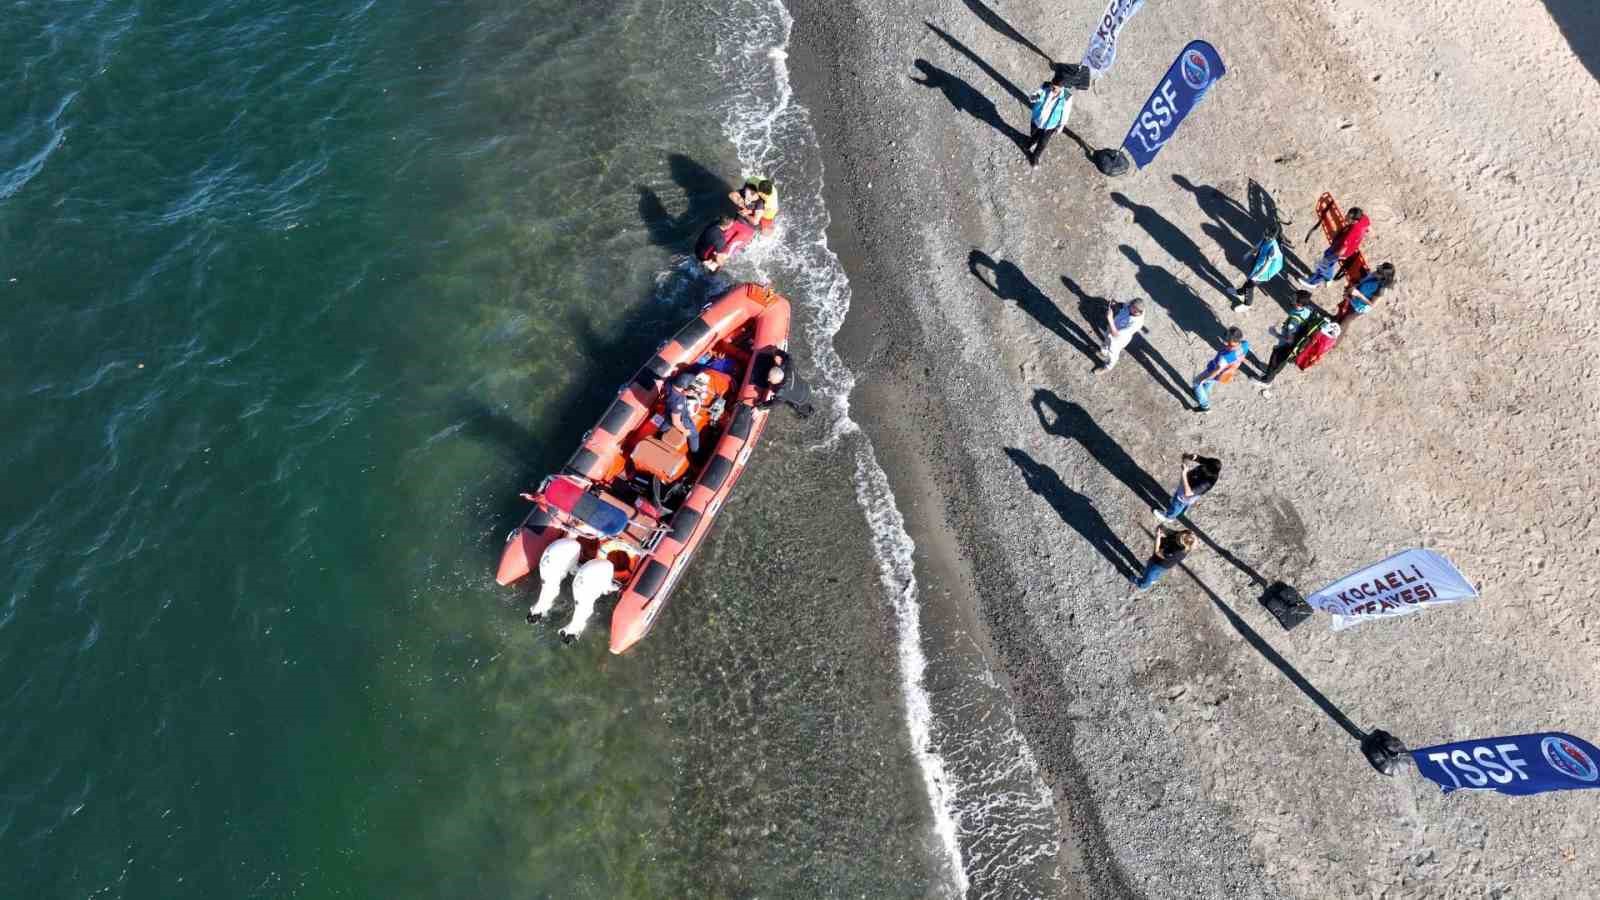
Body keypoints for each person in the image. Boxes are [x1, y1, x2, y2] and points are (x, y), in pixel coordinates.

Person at [1303, 206, 1370, 288]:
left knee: (1325, 263)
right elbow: (1368, 226)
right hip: (1347, 246)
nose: (1345, 218)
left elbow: (1342, 250)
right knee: (1327, 260)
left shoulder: (1352, 232)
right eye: (1347, 215)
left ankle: (1314, 282)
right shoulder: (1363, 218)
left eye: (1348, 218)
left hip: (1342, 250)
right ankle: (1327, 278)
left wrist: (1330, 258)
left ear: (1355, 221)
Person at [1192, 327, 1249, 412]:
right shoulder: (1245, 344)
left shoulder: (1225, 357)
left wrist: (1206, 378)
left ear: (1230, 340)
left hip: (1214, 371)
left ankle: (1205, 406)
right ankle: (1203, 393)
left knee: (1196, 382)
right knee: (1210, 382)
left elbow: (1218, 369)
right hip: (1228, 373)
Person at [1262, 291, 1314, 383]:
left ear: (1298, 304)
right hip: (1298, 338)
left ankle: (1267, 380)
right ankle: (1275, 371)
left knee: (1275, 359)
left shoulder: (1293, 322)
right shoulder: (1309, 309)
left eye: (1293, 298)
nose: (1291, 298)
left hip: (1286, 344)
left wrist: (1275, 334)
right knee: (1283, 360)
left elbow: (1289, 340)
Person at [1232, 220, 1286, 309]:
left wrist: (1256, 276)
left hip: (1266, 271)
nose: (1265, 236)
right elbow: (1258, 246)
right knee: (1249, 281)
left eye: (1267, 235)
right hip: (1261, 261)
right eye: (1265, 233)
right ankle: (1241, 292)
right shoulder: (1266, 238)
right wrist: (1248, 254)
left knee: (1250, 285)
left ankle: (1247, 304)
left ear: (1273, 237)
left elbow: (1266, 266)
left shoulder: (1273, 250)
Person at [1023, 71, 1073, 167]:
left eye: (1055, 88)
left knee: (1043, 143)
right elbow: (1037, 94)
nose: (1052, 88)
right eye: (1052, 86)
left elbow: (1066, 112)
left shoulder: (1067, 96)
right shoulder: (1046, 86)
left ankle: (1035, 157)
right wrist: (1034, 97)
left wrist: (1061, 125)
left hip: (1050, 125)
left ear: (1062, 87)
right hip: (1037, 119)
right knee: (1034, 135)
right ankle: (1029, 143)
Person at [1157, 453, 1222, 523]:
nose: (1203, 466)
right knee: (1178, 502)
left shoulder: (1208, 482)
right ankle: (1178, 507)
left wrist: (1184, 474)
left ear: (1209, 470)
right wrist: (1190, 456)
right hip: (1185, 487)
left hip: (1185, 496)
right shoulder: (1210, 465)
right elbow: (1199, 459)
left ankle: (1169, 517)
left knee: (1179, 504)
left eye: (1205, 466)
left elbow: (1188, 493)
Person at [755, 350, 815, 417]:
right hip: (806, 389)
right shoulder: (789, 366)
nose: (768, 379)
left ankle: (807, 414)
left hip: (802, 398)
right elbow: (788, 356)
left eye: (770, 379)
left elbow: (775, 403)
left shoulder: (781, 392)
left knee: (793, 404)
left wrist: (759, 408)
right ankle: (810, 411)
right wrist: (776, 352)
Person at [1135, 523, 1196, 590]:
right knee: (1155, 573)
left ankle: (1143, 585)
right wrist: (1163, 528)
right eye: (1179, 534)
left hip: (1159, 563)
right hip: (1164, 564)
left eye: (1178, 538)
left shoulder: (1177, 553)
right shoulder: (1184, 535)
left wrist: (1158, 537)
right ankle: (1153, 579)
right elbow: (1172, 533)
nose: (1177, 535)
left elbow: (1157, 552)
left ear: (1182, 545)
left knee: (1150, 572)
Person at [1096, 299, 1145, 371]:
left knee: (1113, 354)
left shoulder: (1136, 324)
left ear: (1135, 311)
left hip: (1118, 340)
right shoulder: (1132, 306)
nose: (1128, 306)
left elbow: (1116, 334)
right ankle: (1104, 352)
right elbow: (1124, 305)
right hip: (1112, 327)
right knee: (1106, 341)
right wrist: (1116, 304)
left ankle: (1108, 367)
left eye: (1130, 307)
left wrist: (1110, 319)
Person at [666, 372, 703, 453]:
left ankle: (664, 428)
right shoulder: (678, 402)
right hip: (679, 417)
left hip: (667, 409)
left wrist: (686, 392)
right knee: (694, 435)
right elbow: (676, 422)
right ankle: (695, 451)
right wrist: (685, 431)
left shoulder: (670, 382)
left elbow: (679, 390)